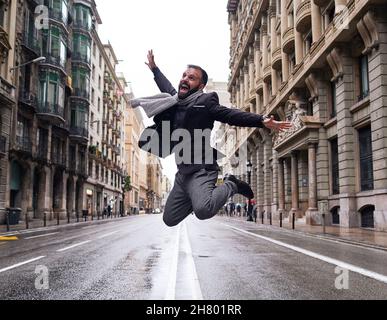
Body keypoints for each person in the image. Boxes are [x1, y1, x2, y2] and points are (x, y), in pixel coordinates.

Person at [134, 50, 292, 227]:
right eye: (184, 75)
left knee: (204, 210)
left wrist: (261, 120)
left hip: (202, 169)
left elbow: (229, 115)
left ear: (200, 86)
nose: (185, 79)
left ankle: (231, 184)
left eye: (191, 78)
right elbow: (166, 87)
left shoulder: (206, 101)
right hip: (182, 173)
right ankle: (196, 197)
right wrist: (155, 70)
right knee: (169, 219)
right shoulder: (175, 101)